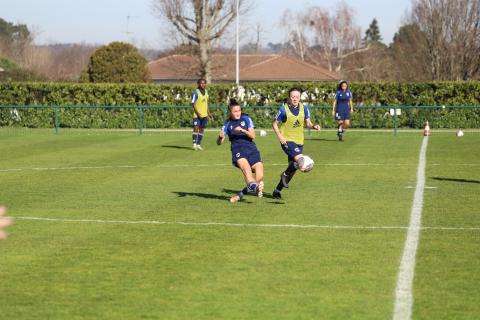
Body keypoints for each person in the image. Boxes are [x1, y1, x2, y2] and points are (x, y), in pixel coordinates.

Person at [272, 87, 321, 199]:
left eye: (297, 97)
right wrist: (280, 136)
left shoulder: (304, 108)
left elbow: (308, 123)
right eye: (293, 97)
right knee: (300, 161)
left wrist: (314, 126)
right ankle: (284, 175)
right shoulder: (283, 109)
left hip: (299, 141)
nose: (295, 99)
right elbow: (274, 124)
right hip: (287, 140)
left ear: (300, 98)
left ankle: (277, 191)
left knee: (293, 169)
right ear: (289, 97)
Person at [217, 99, 264, 203]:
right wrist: (220, 137)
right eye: (235, 111)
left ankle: (241, 195)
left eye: (239, 110)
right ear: (230, 112)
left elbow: (253, 136)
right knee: (246, 169)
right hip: (238, 149)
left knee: (259, 173)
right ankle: (254, 187)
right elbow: (219, 142)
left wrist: (242, 130)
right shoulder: (227, 124)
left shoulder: (246, 119)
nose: (238, 113)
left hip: (251, 148)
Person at [191, 78, 212, 150]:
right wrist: (197, 113)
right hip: (197, 115)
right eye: (201, 83)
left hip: (204, 115)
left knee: (202, 129)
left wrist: (209, 113)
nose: (202, 84)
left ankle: (198, 144)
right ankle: (194, 144)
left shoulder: (206, 92)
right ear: (198, 84)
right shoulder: (195, 92)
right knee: (196, 128)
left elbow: (206, 103)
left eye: (204, 83)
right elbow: (193, 104)